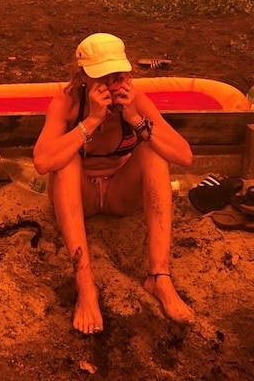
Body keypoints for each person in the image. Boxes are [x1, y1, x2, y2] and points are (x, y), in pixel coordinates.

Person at [33, 33, 195, 334]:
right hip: (81, 198)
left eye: (117, 75)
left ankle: (160, 276)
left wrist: (136, 120)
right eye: (102, 78)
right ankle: (86, 287)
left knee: (154, 150)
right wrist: (91, 122)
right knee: (65, 160)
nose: (111, 84)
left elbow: (184, 156)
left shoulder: (134, 100)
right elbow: (43, 162)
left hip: (120, 195)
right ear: (82, 76)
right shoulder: (67, 102)